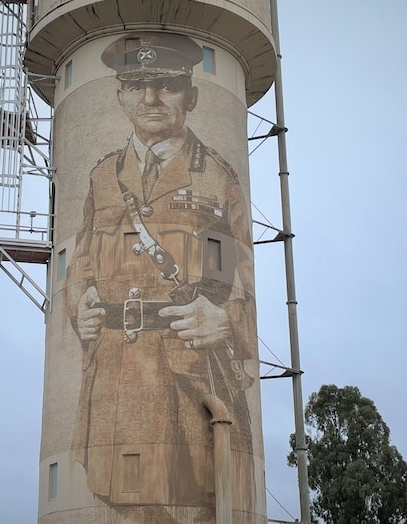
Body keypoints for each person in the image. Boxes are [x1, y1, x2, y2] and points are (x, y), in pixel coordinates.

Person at [65, 32, 258, 513]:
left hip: (185, 380)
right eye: (136, 84)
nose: (150, 98)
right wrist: (79, 304)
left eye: (167, 85)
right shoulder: (102, 176)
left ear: (189, 97)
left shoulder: (215, 176)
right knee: (121, 504)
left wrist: (225, 316)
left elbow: (237, 271)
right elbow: (81, 261)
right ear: (120, 94)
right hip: (113, 382)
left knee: (193, 505)